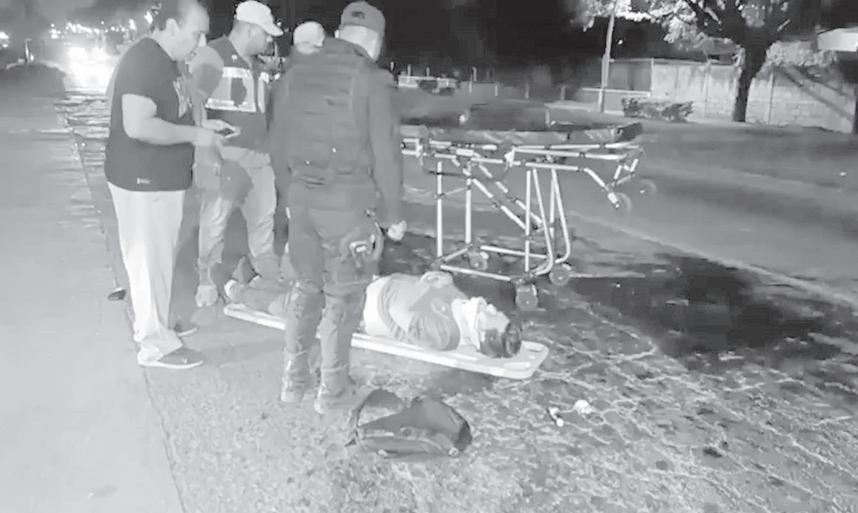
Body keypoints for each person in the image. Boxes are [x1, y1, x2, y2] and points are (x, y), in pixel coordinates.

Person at [268, 1, 407, 414]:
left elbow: (276, 144)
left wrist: (289, 197)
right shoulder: (371, 81)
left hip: (301, 201)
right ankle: (332, 390)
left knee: (306, 289)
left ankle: (293, 381)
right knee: (343, 299)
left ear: (340, 33)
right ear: (374, 41)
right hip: (347, 207)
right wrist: (393, 215)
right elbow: (386, 154)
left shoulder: (294, 74)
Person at [104, 0, 230, 369]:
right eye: (196, 33)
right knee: (148, 260)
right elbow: (138, 125)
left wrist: (203, 127)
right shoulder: (144, 60)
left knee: (158, 258)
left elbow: (169, 111)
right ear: (171, 26)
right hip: (143, 178)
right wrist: (195, 136)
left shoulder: (167, 60)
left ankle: (158, 320)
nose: (200, 42)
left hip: (161, 178)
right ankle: (155, 345)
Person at [187, 0, 284, 308]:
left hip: (259, 157)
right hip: (225, 156)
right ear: (250, 30)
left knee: (263, 222)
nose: (268, 41)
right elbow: (191, 100)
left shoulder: (258, 66)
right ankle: (207, 281)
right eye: (265, 34)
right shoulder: (213, 56)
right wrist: (205, 143)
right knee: (214, 223)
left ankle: (267, 280)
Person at [224, 270, 523, 358]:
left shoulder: (445, 334)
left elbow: (398, 310)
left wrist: (427, 286)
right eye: (496, 310)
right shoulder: (466, 309)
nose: (490, 306)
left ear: (481, 334)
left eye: (492, 315)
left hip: (356, 311)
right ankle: (258, 282)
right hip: (367, 288)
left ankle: (236, 291)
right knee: (304, 283)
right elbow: (438, 286)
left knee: (292, 306)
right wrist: (439, 282)